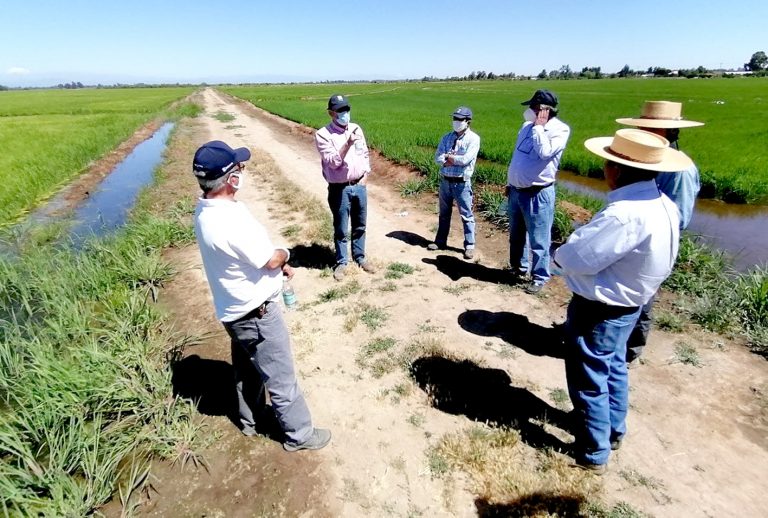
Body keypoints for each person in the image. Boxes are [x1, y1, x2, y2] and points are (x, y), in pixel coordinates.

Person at [553, 128, 689, 473]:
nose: (604, 168)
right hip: (631, 305)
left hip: (600, 309)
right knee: (612, 367)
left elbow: (579, 257)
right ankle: (614, 429)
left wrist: (560, 255)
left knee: (588, 378)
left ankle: (593, 451)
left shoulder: (625, 214)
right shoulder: (664, 204)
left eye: (608, 162)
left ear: (618, 170)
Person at [192, 140, 331, 452]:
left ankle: (250, 421)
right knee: (281, 379)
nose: (243, 170)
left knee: (247, 371)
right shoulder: (227, 220)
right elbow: (269, 258)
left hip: (234, 311)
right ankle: (299, 435)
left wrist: (270, 269)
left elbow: (244, 261)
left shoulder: (205, 211)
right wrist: (284, 254)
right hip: (257, 315)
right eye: (239, 167)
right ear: (230, 179)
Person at [616, 101, 704, 365]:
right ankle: (617, 343)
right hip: (630, 238)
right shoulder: (647, 160)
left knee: (641, 298)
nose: (641, 131)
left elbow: (678, 218)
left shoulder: (680, 171)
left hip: (652, 244)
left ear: (664, 133)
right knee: (623, 295)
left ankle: (630, 351)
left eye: (647, 127)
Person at [506, 89, 570, 294]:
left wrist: (540, 128)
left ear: (544, 110)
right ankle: (518, 268)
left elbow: (545, 153)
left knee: (539, 239)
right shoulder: (525, 126)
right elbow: (517, 157)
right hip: (516, 190)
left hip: (538, 193)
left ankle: (539, 277)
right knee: (516, 235)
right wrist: (510, 182)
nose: (529, 111)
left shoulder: (559, 130)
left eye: (533, 107)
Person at [315, 94, 375, 281]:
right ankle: (341, 262)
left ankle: (360, 257)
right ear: (331, 113)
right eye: (340, 110)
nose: (345, 113)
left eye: (346, 109)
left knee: (360, 225)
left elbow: (364, 153)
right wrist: (347, 144)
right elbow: (333, 163)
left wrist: (365, 174)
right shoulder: (323, 135)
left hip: (359, 185)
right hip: (339, 188)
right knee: (341, 228)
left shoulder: (356, 128)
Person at [427, 106, 481, 259]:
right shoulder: (447, 137)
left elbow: (465, 160)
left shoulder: (474, 139)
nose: (456, 122)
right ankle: (440, 241)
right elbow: (438, 158)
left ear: (467, 122)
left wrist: (448, 157)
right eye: (454, 119)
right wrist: (451, 159)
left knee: (466, 215)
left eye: (460, 119)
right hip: (445, 181)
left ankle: (469, 246)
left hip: (461, 183)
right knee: (444, 213)